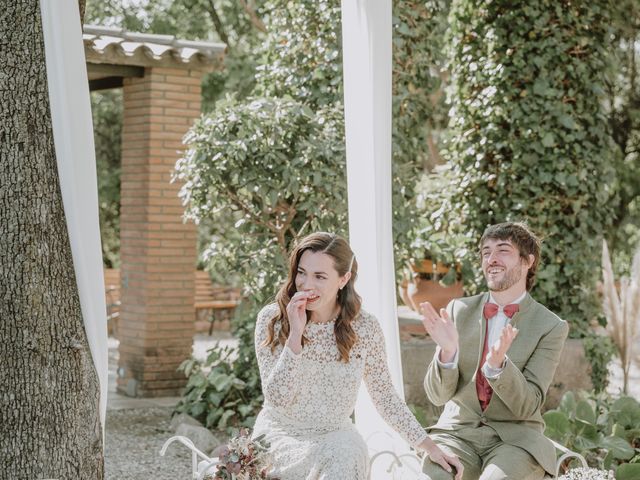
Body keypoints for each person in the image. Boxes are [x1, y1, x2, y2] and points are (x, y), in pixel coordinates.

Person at [252, 232, 463, 480]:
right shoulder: (272, 319)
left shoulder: (365, 327)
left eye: (319, 276)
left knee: (347, 453)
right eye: (301, 272)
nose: (306, 284)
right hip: (280, 436)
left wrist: (429, 446)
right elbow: (277, 398)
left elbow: (384, 395)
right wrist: (296, 334)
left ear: (344, 279)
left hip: (335, 438)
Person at [420, 222, 569, 480]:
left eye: (503, 250)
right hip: (457, 434)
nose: (492, 259)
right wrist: (447, 353)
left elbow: (528, 405)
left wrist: (498, 367)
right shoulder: (458, 310)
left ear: (527, 262)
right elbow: (437, 396)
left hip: (515, 441)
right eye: (486, 252)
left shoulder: (550, 326)